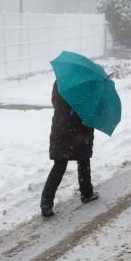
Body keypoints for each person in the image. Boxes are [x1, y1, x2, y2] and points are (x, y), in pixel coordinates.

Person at [40, 80, 99, 217]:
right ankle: (86, 193)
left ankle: (46, 203)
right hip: (79, 130)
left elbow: (55, 101)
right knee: (83, 160)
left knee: (59, 165)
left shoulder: (60, 81)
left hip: (60, 127)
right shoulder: (86, 86)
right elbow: (89, 108)